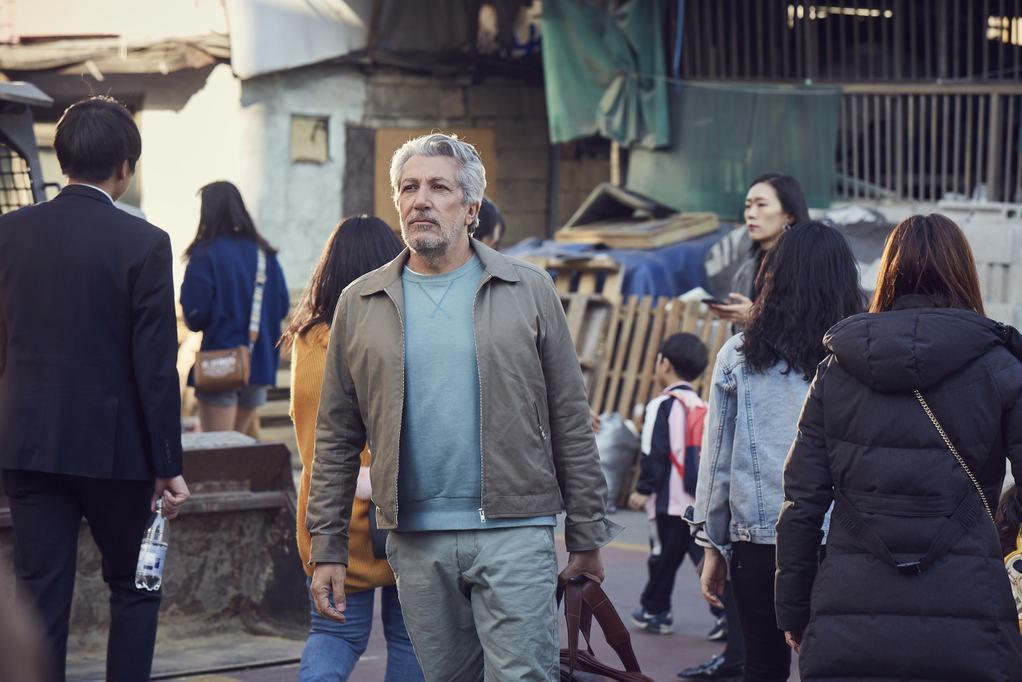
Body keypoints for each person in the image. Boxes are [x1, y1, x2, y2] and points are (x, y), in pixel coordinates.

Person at [307, 132, 620, 680]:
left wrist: (587, 531)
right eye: (409, 188)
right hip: (414, 537)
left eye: (438, 187)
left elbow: (570, 417)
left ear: (471, 208)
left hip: (515, 528)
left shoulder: (528, 289)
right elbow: (335, 435)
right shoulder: (361, 301)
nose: (420, 200)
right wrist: (327, 546)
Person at [775, 214, 1022, 680]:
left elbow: (802, 503)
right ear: (963, 273)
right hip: (970, 607)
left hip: (848, 609)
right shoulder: (999, 365)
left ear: (888, 272)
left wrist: (792, 610)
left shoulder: (837, 368)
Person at [0, 96, 189, 681]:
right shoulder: (145, 242)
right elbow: (155, 367)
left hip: (28, 444)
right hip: (117, 453)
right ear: (125, 167)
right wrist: (168, 463)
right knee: (134, 586)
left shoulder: (8, 233)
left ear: (63, 160)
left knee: (38, 594)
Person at [692, 222, 863, 681]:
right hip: (845, 543)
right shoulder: (860, 356)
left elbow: (717, 461)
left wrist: (712, 547)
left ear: (773, 275)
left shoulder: (740, 354)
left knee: (763, 666)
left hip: (759, 542)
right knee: (836, 667)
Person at [280, 215, 423, 681]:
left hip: (329, 516)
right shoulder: (402, 337)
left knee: (335, 634)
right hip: (400, 510)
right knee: (412, 638)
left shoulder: (307, 339)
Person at [180, 181, 290, 434]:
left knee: (220, 448)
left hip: (220, 364)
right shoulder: (265, 254)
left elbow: (195, 317)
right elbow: (283, 306)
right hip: (259, 364)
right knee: (237, 444)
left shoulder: (205, 254)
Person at [627, 332, 710, 635]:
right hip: (696, 499)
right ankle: (726, 613)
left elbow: (654, 450)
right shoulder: (702, 404)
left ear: (664, 364)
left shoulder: (661, 404)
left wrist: (643, 488)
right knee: (701, 556)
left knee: (661, 556)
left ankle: (656, 610)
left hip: (667, 500)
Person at [710, 174, 809, 327]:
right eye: (748, 206)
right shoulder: (746, 270)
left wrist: (756, 317)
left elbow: (811, 324)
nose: (751, 214)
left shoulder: (806, 265)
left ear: (789, 215)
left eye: (761, 204)